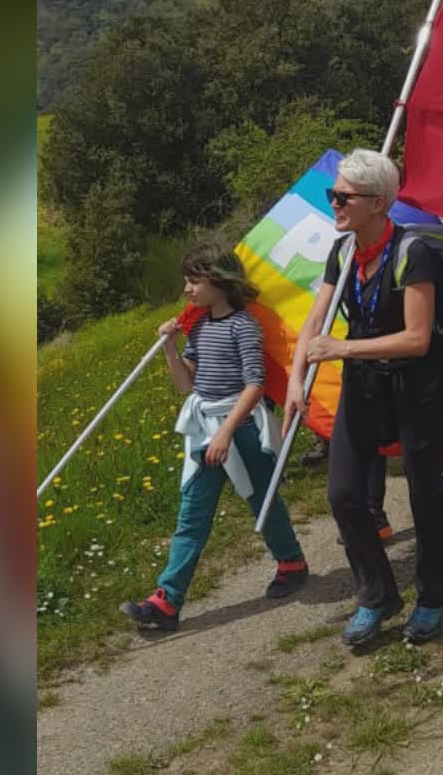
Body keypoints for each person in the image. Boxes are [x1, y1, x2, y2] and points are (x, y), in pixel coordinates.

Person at [286, 149, 443, 647]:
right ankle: (377, 595)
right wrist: (297, 379)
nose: (333, 203)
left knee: (425, 494)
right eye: (332, 194)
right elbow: (315, 321)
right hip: (364, 387)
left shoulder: (412, 253)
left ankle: (432, 597)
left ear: (378, 203)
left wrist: (343, 348)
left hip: (416, 388)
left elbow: (416, 338)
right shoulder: (341, 251)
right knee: (342, 493)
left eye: (344, 196)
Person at [120, 244, 308, 633]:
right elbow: (185, 384)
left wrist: (226, 431)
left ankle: (291, 562)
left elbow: (255, 383)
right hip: (205, 429)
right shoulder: (200, 326)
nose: (187, 289)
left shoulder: (243, 325)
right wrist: (171, 347)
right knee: (192, 514)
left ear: (219, 282)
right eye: (186, 281)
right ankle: (167, 601)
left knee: (263, 502)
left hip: (240, 429)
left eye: (194, 280)